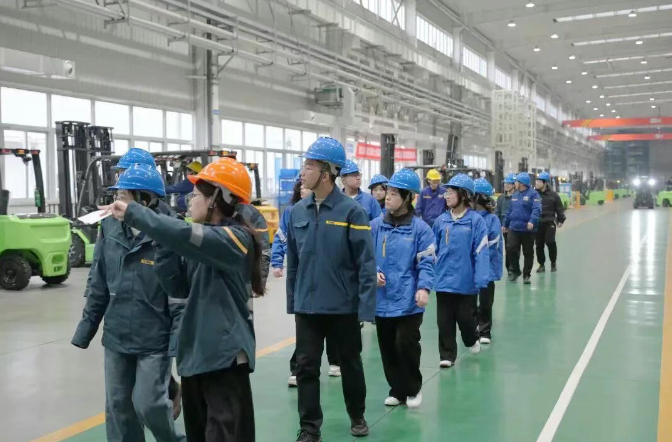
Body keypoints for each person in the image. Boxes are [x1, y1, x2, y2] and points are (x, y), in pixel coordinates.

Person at [100, 157, 265, 442]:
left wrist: (138, 214)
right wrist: (163, 243)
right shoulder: (200, 244)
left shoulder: (236, 239)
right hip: (195, 356)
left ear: (217, 199)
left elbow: (187, 234)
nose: (189, 202)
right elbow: (176, 286)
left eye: (195, 195)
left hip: (224, 358)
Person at [71, 163, 186, 442]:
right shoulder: (110, 227)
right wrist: (85, 330)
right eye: (116, 195)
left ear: (144, 200)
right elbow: (98, 283)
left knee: (149, 405)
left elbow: (179, 297)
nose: (115, 202)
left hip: (154, 338)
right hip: (117, 335)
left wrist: (177, 344)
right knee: (118, 409)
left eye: (122, 196)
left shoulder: (169, 231)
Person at [285, 137, 376, 442]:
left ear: (326, 172)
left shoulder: (352, 212)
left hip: (342, 307)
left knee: (350, 364)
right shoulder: (297, 212)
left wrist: (365, 308)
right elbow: (293, 262)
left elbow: (366, 263)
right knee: (306, 367)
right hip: (308, 307)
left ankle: (357, 415)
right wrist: (293, 301)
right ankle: (310, 428)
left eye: (309, 166)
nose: (303, 171)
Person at [371, 168, 434, 409]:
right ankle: (396, 390)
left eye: (394, 193)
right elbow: (365, 257)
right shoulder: (375, 226)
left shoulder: (421, 229)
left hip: (409, 300)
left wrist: (424, 288)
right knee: (387, 347)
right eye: (387, 192)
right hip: (382, 299)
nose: (387, 197)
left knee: (405, 344)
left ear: (408, 198)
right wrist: (373, 272)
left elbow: (427, 262)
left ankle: (413, 388)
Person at [271, 179, 341, 386]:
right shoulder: (292, 212)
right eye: (301, 187)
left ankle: (335, 361)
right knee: (305, 331)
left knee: (331, 323)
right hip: (303, 280)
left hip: (330, 279)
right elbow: (281, 238)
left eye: (307, 187)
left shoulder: (337, 210)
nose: (304, 190)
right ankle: (298, 369)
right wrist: (277, 262)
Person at [432, 173, 489, 368]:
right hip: (443, 280)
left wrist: (481, 277)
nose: (446, 196)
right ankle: (447, 355)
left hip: (466, 282)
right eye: (446, 192)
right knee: (444, 321)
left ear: (463, 195)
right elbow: (432, 250)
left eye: (450, 192)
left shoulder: (476, 221)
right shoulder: (441, 221)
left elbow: (481, 251)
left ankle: (471, 338)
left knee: (465, 320)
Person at [473, 178, 503, 345]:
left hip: (487, 268)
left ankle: (484, 330)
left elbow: (492, 244)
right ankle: (473, 328)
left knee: (485, 301)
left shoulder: (492, 220)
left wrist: (477, 258)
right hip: (469, 268)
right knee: (469, 301)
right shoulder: (468, 217)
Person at [503, 173, 542, 285]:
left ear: (522, 183)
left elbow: (537, 209)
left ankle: (526, 275)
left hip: (527, 229)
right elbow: (510, 211)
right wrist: (505, 224)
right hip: (514, 228)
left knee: (528, 253)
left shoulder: (534, 194)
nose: (514, 183)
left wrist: (532, 221)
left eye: (516, 181)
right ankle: (516, 270)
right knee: (511, 249)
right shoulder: (515, 195)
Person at [534, 172, 566, 273]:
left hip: (549, 222)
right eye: (536, 181)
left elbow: (559, 208)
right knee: (539, 245)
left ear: (545, 183)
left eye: (539, 181)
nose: (536, 183)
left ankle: (553, 262)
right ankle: (541, 265)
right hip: (538, 223)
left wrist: (561, 220)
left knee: (550, 242)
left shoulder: (554, 195)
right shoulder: (534, 194)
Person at [495, 173, 516, 276]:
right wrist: (499, 225)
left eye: (509, 183)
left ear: (514, 185)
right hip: (504, 227)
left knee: (513, 248)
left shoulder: (517, 197)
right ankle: (510, 269)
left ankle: (513, 267)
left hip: (515, 226)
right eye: (505, 183)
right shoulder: (501, 198)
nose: (506, 185)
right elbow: (497, 211)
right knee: (508, 247)